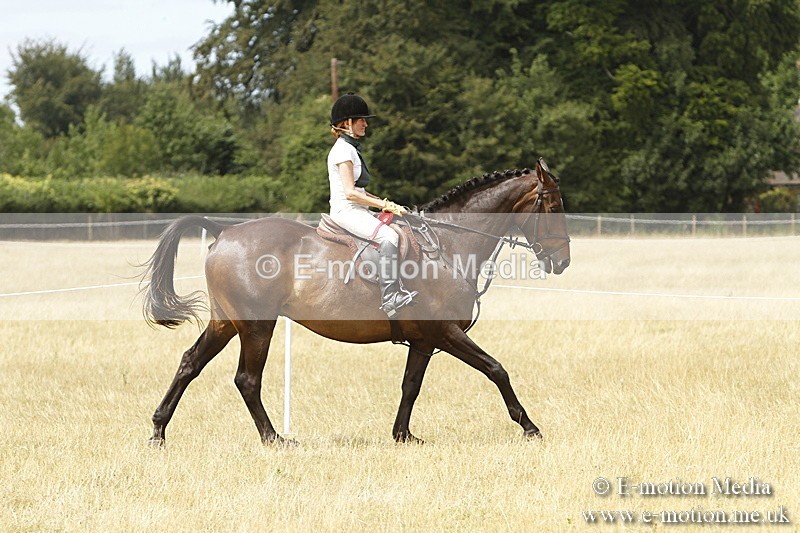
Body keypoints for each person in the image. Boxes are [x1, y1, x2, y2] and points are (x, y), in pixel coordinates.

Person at [327, 93, 417, 317]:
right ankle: (390, 297)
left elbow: (360, 191)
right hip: (346, 211)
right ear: (347, 123)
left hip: (357, 209)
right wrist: (385, 204)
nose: (366, 123)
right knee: (389, 237)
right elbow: (350, 193)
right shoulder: (342, 150)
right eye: (361, 120)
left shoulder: (351, 148)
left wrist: (387, 204)